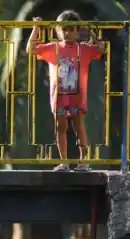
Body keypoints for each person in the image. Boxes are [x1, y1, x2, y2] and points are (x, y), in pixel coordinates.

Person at [29, 11, 106, 171]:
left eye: (71, 29)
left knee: (79, 126)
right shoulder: (53, 48)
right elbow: (31, 49)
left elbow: (101, 48)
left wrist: (88, 30)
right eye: (63, 29)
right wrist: (36, 28)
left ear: (77, 31)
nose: (66, 33)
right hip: (59, 96)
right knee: (60, 127)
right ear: (58, 30)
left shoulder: (83, 49)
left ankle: (84, 160)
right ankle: (64, 161)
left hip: (77, 96)